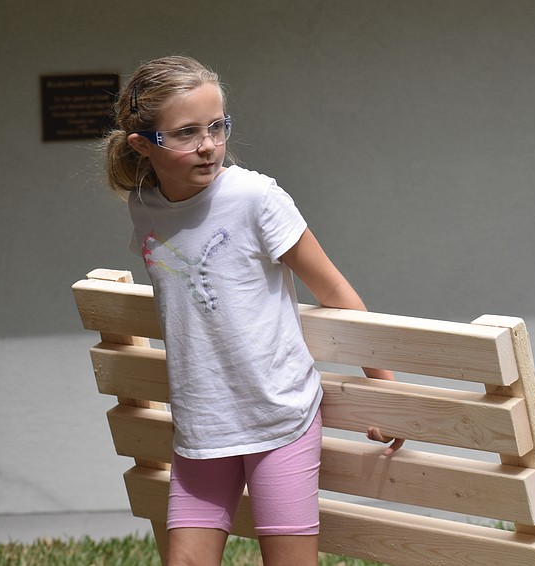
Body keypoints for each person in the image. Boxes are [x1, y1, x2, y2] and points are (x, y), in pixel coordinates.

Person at [103, 55, 403, 566]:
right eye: (186, 132)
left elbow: (335, 292)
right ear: (141, 146)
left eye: (217, 127)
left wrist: (386, 390)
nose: (208, 145)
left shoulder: (255, 198)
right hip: (200, 427)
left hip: (278, 417)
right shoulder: (144, 205)